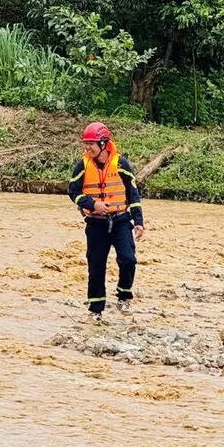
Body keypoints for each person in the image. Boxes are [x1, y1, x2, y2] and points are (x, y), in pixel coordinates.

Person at [67, 122, 145, 323]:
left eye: (91, 143)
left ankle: (123, 296)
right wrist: (93, 204)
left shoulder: (121, 164)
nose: (87, 147)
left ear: (103, 143)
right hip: (96, 224)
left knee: (128, 259)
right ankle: (96, 310)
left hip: (120, 221)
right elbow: (73, 192)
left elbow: (133, 194)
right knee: (96, 266)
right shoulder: (82, 166)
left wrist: (138, 221)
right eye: (86, 143)